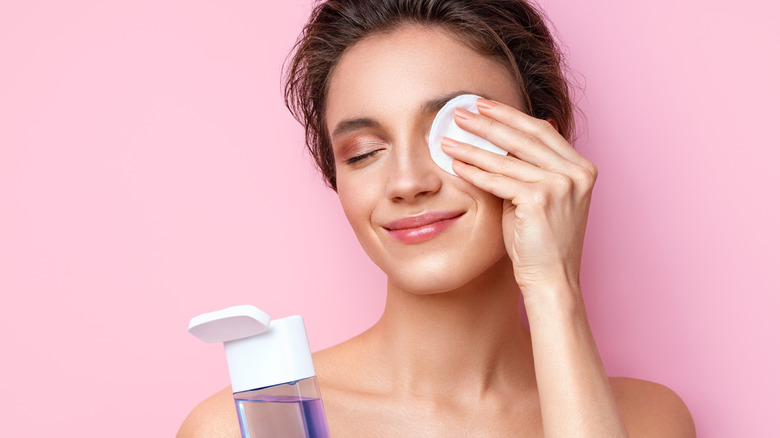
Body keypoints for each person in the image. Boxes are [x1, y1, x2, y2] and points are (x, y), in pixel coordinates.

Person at [178, 0, 696, 436]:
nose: (407, 183)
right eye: (362, 153)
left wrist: (553, 287)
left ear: (542, 150)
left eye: (455, 134)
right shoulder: (254, 424)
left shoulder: (644, 420)